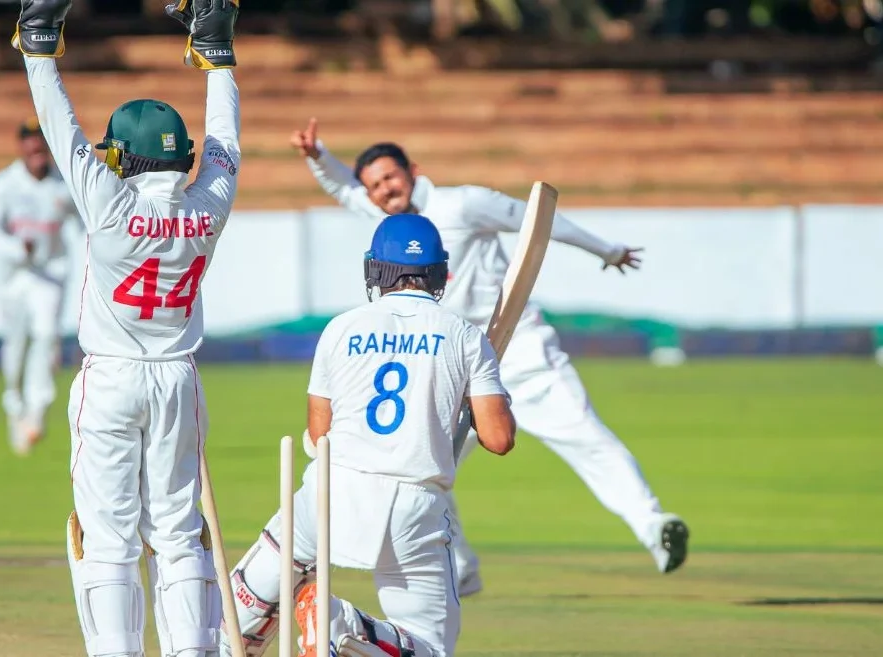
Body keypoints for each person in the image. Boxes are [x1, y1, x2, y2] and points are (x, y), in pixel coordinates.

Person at [291, 118, 689, 593]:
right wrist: (319, 157)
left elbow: (539, 220)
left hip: (516, 348)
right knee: (422, 462)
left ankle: (654, 526)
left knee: (584, 435)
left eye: (390, 178)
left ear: (412, 171)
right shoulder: (385, 220)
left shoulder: (463, 202)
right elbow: (343, 186)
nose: (383, 190)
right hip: (445, 360)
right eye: (375, 185)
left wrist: (607, 249)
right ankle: (458, 565)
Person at [10, 0, 241, 655]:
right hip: (178, 381)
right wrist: (217, 56)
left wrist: (37, 46)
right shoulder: (209, 207)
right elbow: (225, 146)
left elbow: (61, 129)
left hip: (110, 379)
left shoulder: (107, 204)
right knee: (176, 529)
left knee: (108, 535)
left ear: (121, 157)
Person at [222, 214, 516, 657]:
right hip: (412, 503)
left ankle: (228, 638)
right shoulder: (465, 337)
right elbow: (498, 438)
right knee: (429, 647)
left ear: (375, 270)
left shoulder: (341, 328)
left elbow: (319, 432)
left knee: (260, 584)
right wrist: (478, 409)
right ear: (440, 273)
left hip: (328, 491)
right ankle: (345, 625)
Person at [0, 117, 83, 456]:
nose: (36, 148)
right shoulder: (4, 184)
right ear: (22, 146)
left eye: (40, 141)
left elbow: (85, 224)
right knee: (16, 346)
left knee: (46, 336)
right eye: (30, 141)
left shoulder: (61, 185)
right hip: (15, 277)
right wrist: (15, 248)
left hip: (51, 273)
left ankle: (36, 413)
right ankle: (15, 404)